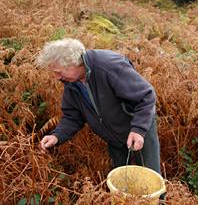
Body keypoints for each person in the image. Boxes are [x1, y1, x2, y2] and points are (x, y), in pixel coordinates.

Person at [37, 38, 161, 175]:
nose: (56, 77)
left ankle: (157, 197)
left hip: (137, 126)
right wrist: (57, 136)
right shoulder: (72, 82)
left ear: (74, 63)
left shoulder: (110, 66)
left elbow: (146, 95)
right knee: (121, 176)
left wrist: (138, 129)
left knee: (149, 175)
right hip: (112, 136)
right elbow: (73, 116)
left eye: (58, 72)